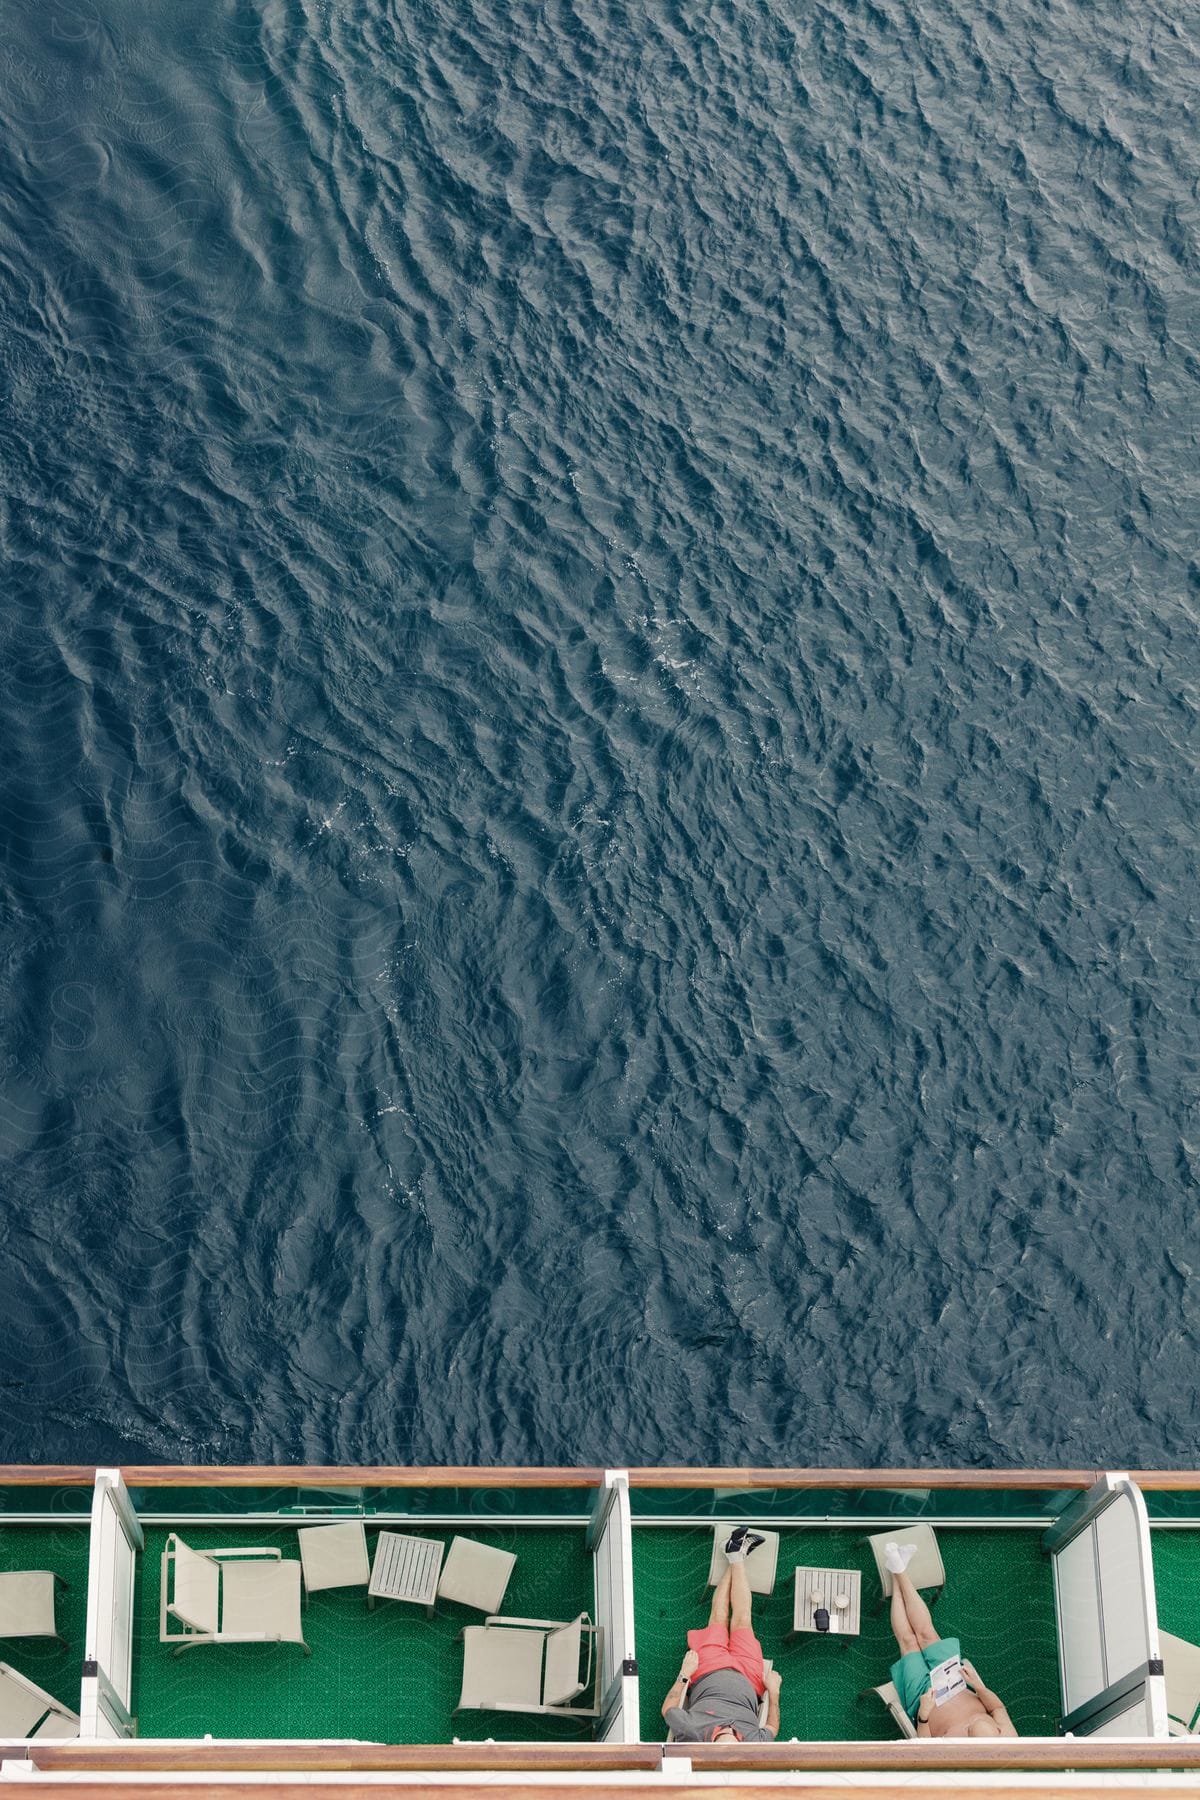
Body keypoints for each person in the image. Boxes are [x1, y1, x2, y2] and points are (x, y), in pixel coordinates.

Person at [660, 1527, 783, 1742]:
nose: (730, 1730)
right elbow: (772, 1726)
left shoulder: (693, 1731)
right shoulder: (754, 1742)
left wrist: (684, 1674)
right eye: (735, 1736)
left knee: (718, 1618)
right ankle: (736, 1555)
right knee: (743, 1620)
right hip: (749, 1677)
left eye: (725, 1733)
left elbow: (668, 1708)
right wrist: (774, 1693)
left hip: (708, 1670)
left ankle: (736, 1554)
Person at [885, 1543, 1016, 1737]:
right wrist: (979, 1687)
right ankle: (898, 1570)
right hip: (953, 1679)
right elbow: (998, 1709)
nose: (970, 1726)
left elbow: (925, 1746)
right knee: (927, 1634)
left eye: (970, 1731)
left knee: (909, 1642)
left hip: (924, 1696)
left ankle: (897, 1572)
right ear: (997, 1731)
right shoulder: (1009, 1739)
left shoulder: (956, 1756)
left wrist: (924, 1713)